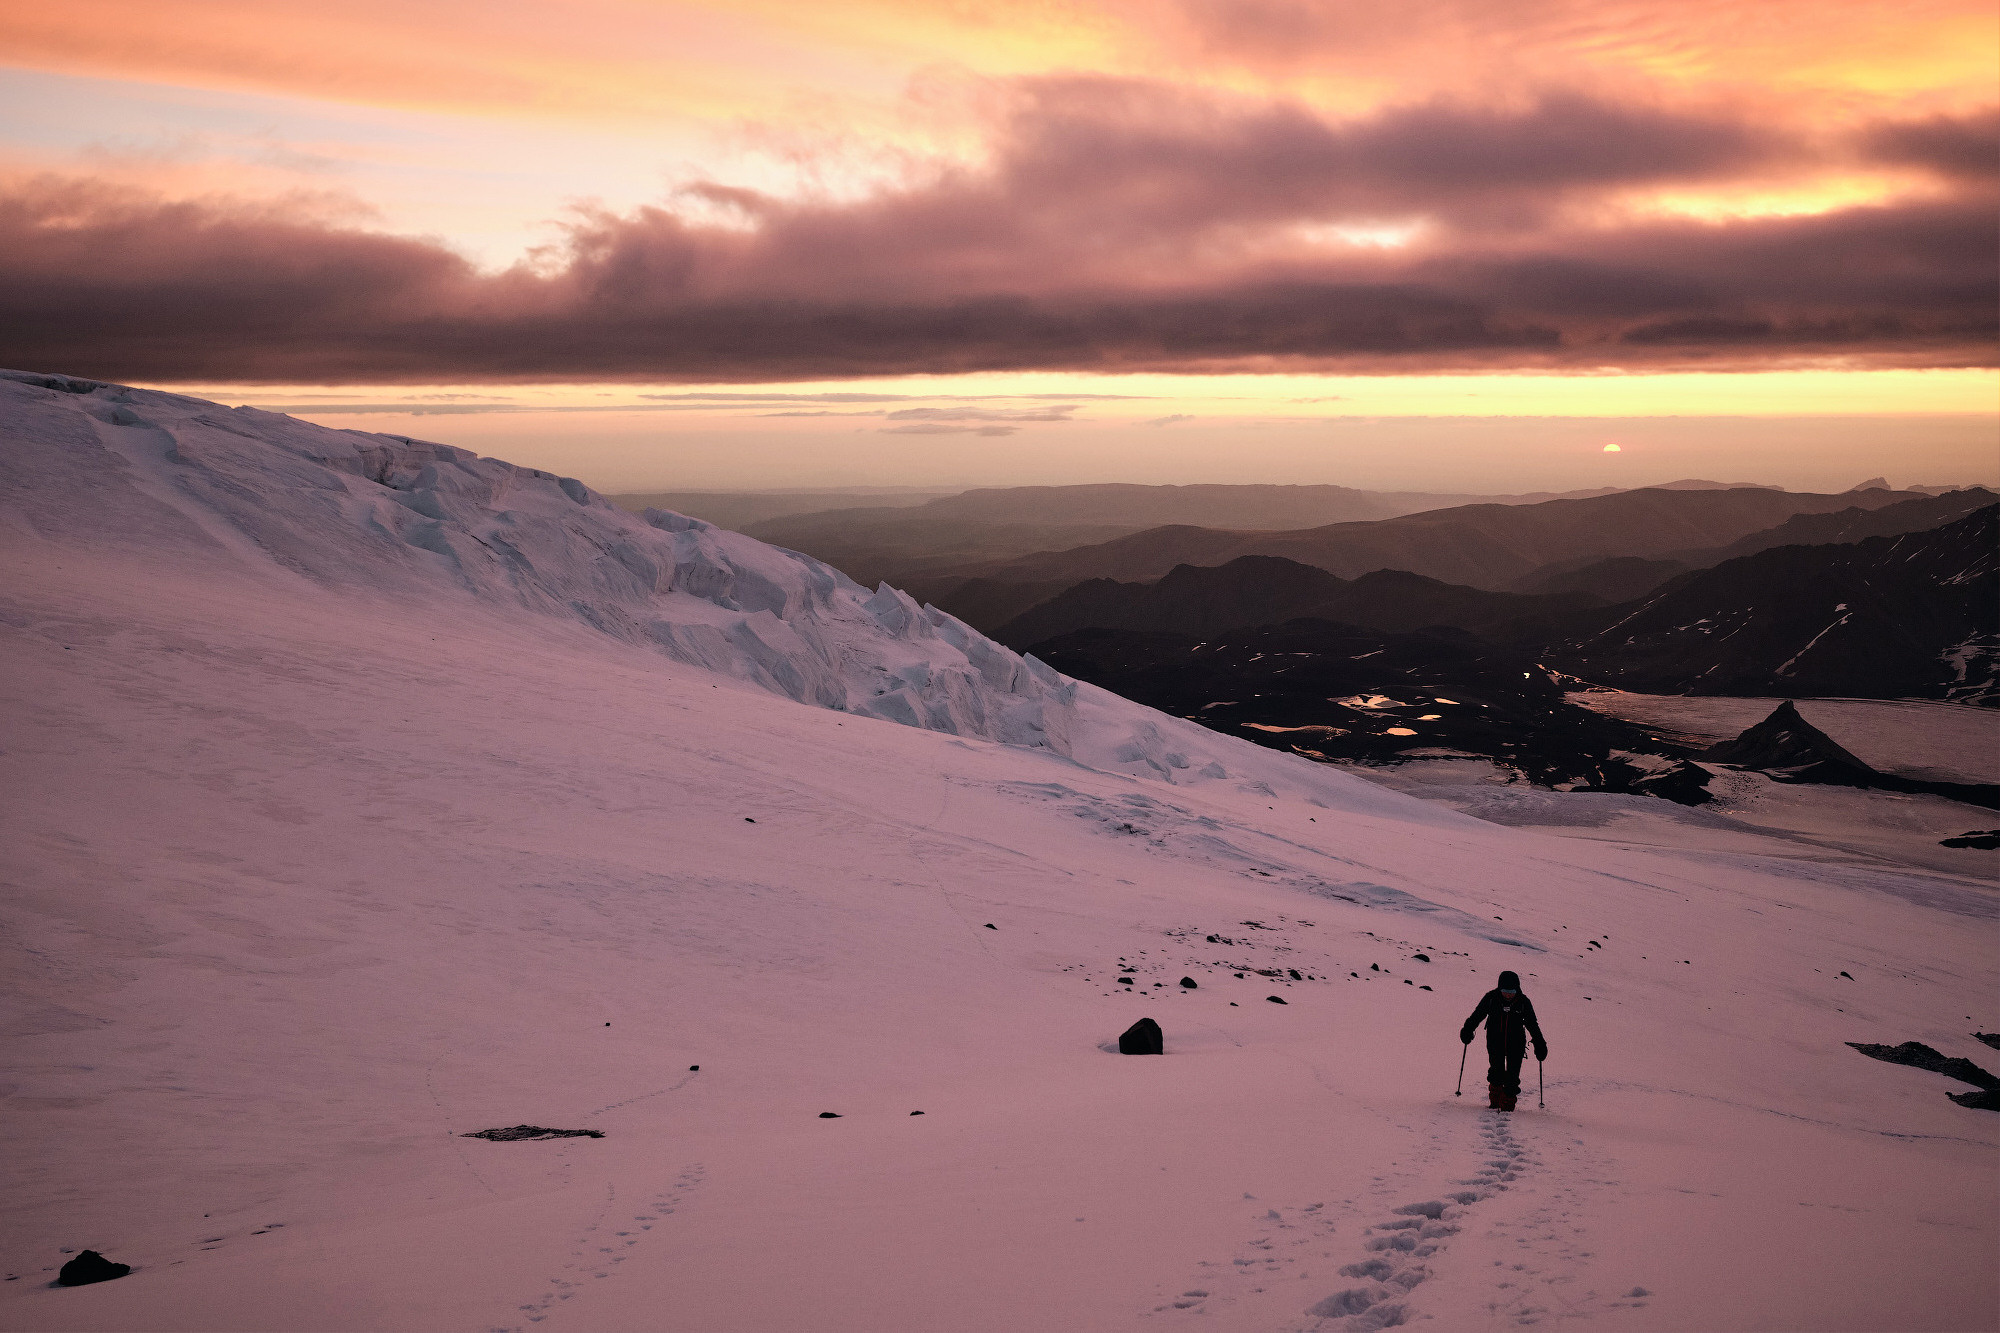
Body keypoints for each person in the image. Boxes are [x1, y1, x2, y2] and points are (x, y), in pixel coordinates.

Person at [1460, 970, 1547, 1111]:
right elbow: (1477, 1015)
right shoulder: (1491, 998)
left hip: (1516, 1043)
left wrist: (1540, 1043)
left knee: (1512, 1076)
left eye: (1512, 991)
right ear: (1500, 988)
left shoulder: (1523, 1002)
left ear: (1517, 989)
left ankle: (1507, 1106)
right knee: (1496, 1072)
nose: (1508, 994)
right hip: (1495, 1041)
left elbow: (1532, 1024)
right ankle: (1495, 1102)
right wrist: (1468, 1029)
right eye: (1505, 991)